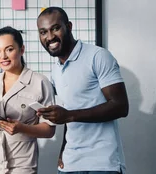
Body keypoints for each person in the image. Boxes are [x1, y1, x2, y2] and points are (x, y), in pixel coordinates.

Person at [36, 7, 130, 174]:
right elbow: (68, 111)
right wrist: (63, 151)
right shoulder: (56, 70)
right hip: (70, 163)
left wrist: (69, 115)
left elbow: (121, 106)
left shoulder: (98, 56)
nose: (49, 37)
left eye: (55, 28)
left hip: (102, 163)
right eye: (43, 32)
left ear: (69, 27)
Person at [0, 26, 56, 174]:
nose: (3, 56)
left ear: (21, 49)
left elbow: (49, 130)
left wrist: (22, 128)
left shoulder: (40, 82)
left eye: (9, 49)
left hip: (22, 162)